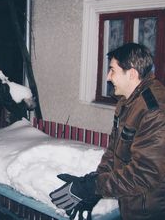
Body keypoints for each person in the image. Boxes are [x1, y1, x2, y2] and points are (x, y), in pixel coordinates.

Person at [49, 43, 165, 220]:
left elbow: (145, 174)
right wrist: (94, 187)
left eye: (112, 70)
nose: (108, 78)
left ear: (132, 74)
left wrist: (91, 186)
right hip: (132, 204)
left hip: (151, 211)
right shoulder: (127, 102)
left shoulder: (154, 111)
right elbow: (114, 153)